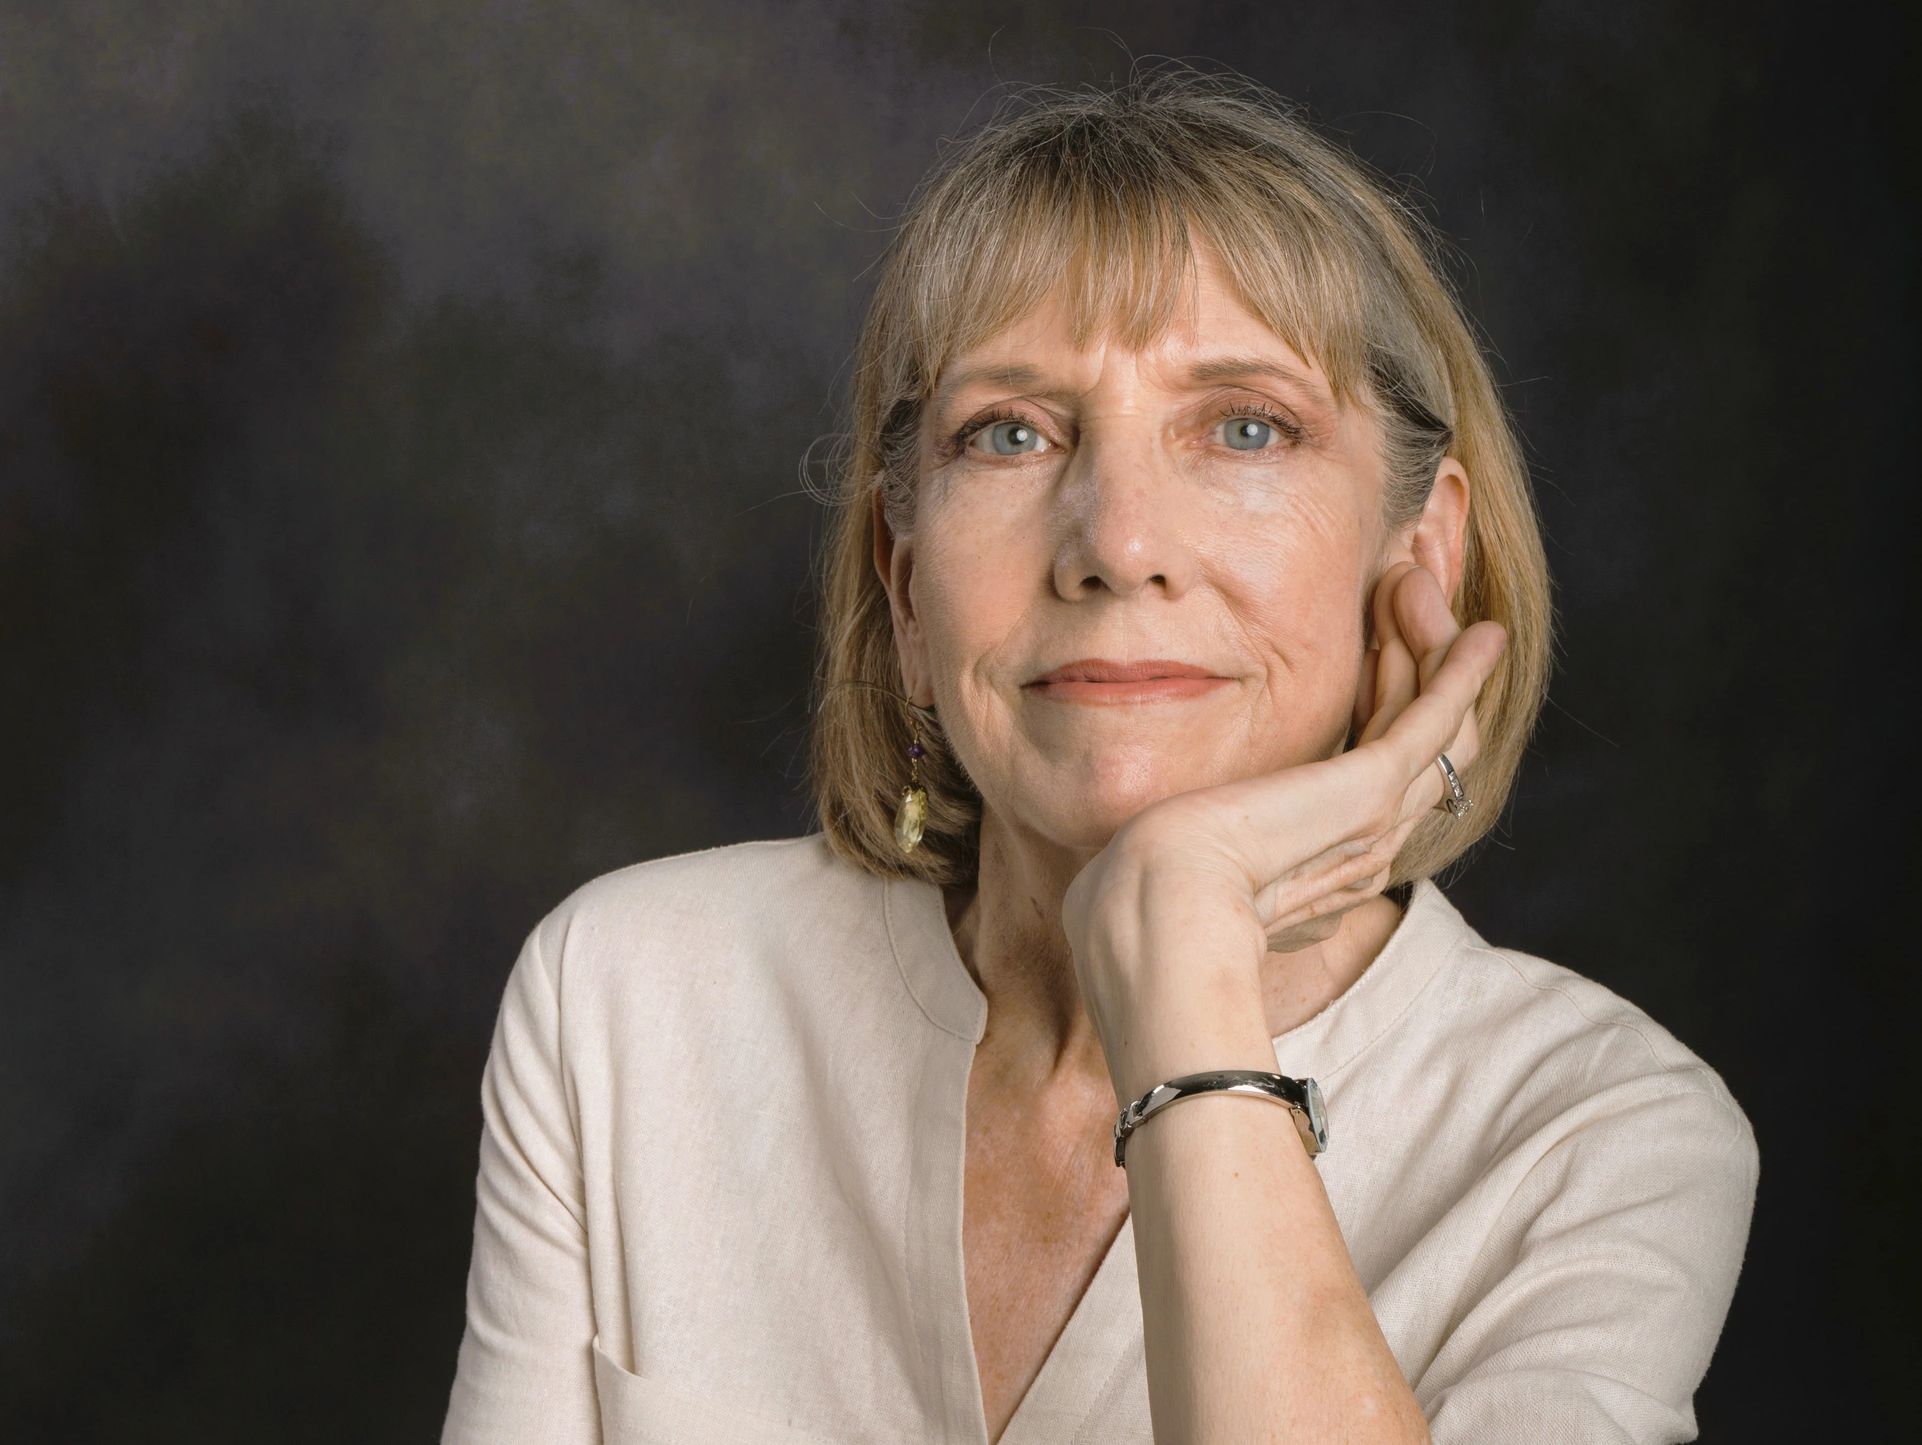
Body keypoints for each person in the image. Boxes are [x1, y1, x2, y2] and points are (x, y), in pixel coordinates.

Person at [440, 66, 1758, 1445]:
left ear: (1418, 555)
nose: (1114, 540)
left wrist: (1182, 944)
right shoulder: (631, 993)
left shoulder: (1598, 1134)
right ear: (903, 582)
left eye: (1244, 426)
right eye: (1010, 432)